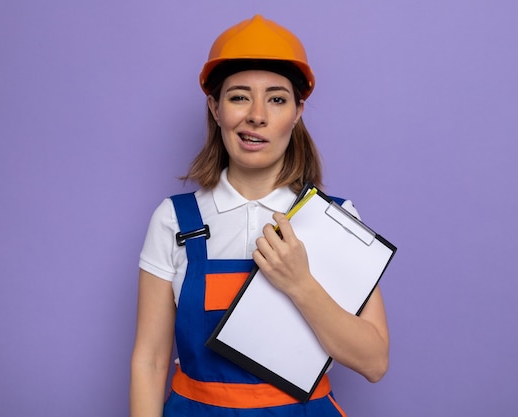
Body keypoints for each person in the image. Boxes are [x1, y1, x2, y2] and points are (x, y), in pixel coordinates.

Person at [130, 15, 389, 417]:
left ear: (298, 111)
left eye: (277, 98)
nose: (257, 116)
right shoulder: (175, 220)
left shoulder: (334, 219)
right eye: (238, 97)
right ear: (215, 109)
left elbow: (374, 363)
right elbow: (149, 362)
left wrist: (300, 284)